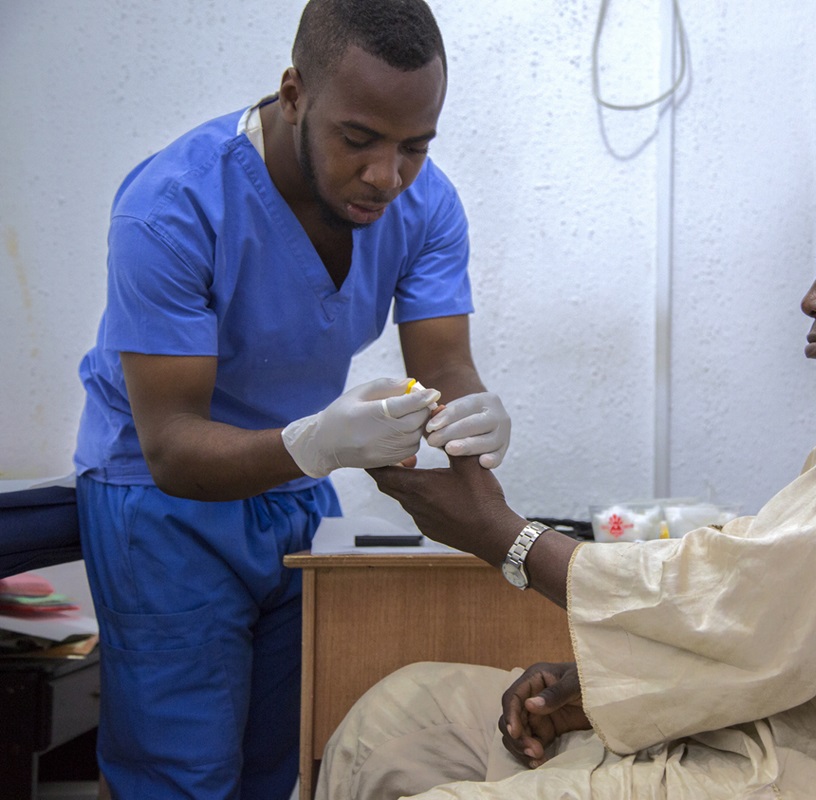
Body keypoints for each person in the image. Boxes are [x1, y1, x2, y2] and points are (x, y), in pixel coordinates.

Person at [316, 156, 816, 800]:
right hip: (770, 732)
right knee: (399, 709)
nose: (812, 298)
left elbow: (756, 606)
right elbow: (803, 616)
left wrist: (506, 537)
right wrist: (598, 688)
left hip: (806, 775)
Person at [72, 1, 511, 797]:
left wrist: (477, 414)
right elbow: (171, 444)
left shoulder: (425, 203)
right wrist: (318, 444)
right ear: (295, 93)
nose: (387, 176)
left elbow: (447, 364)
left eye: (414, 146)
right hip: (158, 505)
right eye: (359, 140)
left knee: (282, 765)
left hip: (291, 497)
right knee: (181, 775)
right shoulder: (174, 206)